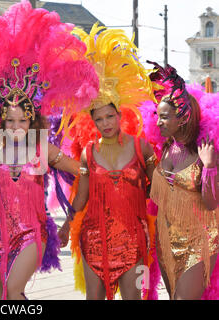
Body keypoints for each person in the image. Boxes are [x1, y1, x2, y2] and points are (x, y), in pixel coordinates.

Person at [0, 0, 99, 300]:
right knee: (5, 299)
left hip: (31, 233)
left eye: (21, 120)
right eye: (8, 120)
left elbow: (86, 170)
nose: (14, 126)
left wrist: (74, 212)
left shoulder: (43, 150)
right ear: (0, 120)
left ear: (31, 120)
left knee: (13, 292)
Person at [58, 24, 156, 300]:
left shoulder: (141, 147)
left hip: (133, 239)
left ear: (119, 115)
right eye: (98, 119)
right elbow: (82, 197)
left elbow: (157, 188)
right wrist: (66, 224)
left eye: (109, 116)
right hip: (94, 237)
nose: (105, 124)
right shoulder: (89, 152)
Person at [146, 61, 219, 300]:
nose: (158, 122)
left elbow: (211, 204)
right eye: (158, 116)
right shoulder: (166, 148)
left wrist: (209, 168)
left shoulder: (204, 151)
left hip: (198, 241)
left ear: (183, 118)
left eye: (164, 117)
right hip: (166, 240)